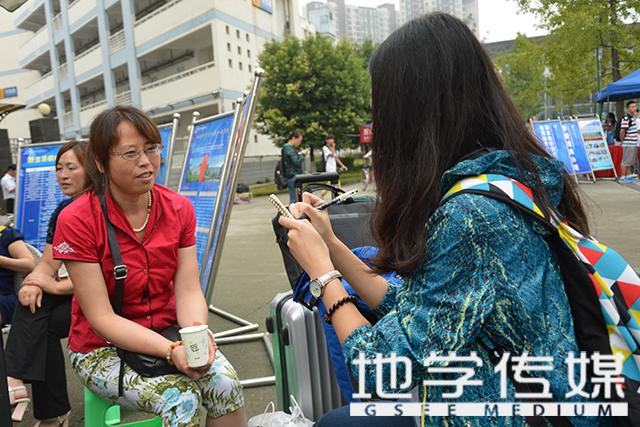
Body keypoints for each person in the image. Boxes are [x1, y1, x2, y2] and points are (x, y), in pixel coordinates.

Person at [278, 13, 600, 426]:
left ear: (413, 117)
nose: (379, 129)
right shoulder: (511, 183)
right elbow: (420, 310)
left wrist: (322, 276)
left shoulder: (470, 219)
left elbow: (381, 368)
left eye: (382, 113)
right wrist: (333, 247)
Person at [52, 106, 245, 426]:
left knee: (226, 385)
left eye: (152, 148)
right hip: (100, 348)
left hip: (169, 332)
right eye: (130, 153)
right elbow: (100, 318)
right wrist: (170, 350)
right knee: (182, 398)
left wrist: (196, 338)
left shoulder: (179, 208)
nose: (146, 161)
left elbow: (188, 289)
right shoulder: (77, 219)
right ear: (99, 162)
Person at [5, 140, 86, 425]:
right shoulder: (63, 209)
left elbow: (105, 275)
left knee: (40, 315)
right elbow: (47, 262)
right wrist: (34, 283)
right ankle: (43, 404)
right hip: (76, 295)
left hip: (108, 299)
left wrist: (53, 286)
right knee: (35, 306)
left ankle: (18, 384)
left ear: (93, 168)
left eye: (71, 168)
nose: (63, 175)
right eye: (59, 168)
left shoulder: (104, 208)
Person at [282, 129, 308, 204]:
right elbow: (296, 161)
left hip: (293, 176)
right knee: (294, 200)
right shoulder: (288, 147)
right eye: (299, 140)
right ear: (293, 138)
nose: (299, 143)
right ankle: (292, 211)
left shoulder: (290, 148)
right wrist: (303, 154)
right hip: (292, 176)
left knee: (296, 199)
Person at [619, 100, 638, 182]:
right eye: (632, 107)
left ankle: (629, 175)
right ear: (628, 108)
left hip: (633, 142)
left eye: (635, 106)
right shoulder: (626, 117)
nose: (634, 108)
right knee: (626, 160)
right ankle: (623, 177)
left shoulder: (632, 117)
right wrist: (623, 140)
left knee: (630, 160)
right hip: (628, 142)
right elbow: (622, 131)